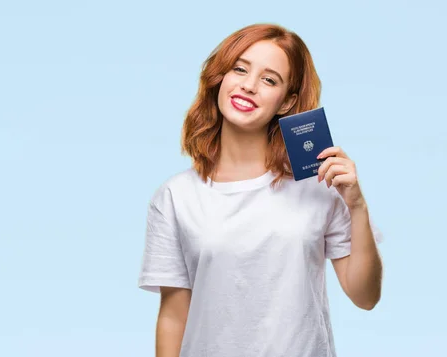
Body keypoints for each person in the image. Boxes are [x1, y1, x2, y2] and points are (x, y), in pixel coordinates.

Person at [137, 23, 384, 357]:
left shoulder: (321, 185)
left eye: (269, 80)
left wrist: (357, 206)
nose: (249, 86)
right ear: (220, 78)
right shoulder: (175, 196)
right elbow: (174, 314)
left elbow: (364, 296)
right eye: (239, 69)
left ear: (286, 102)